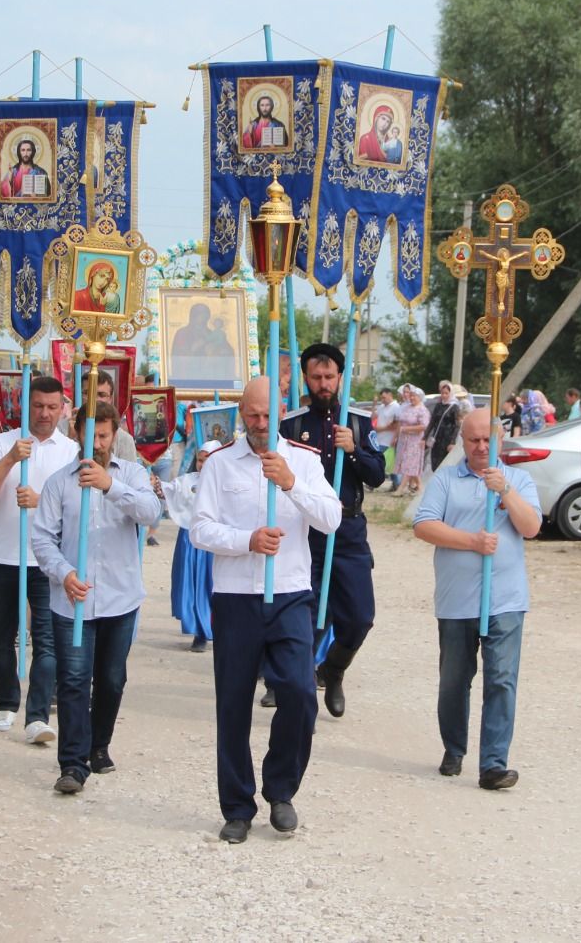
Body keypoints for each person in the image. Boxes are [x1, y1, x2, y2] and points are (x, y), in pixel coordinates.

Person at [190, 376, 340, 843]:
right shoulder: (219, 464)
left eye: (266, 416)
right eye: (251, 415)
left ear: (280, 413)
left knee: (298, 691)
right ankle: (236, 806)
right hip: (236, 596)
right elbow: (199, 529)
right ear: (240, 414)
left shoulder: (304, 460)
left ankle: (281, 790)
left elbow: (331, 519)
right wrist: (246, 541)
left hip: (291, 593)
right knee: (232, 704)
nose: (259, 425)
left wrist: (291, 484)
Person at [34, 401, 162, 794]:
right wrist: (64, 573)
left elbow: (152, 513)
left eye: (104, 436)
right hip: (72, 600)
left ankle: (98, 745)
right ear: (76, 433)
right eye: (90, 436)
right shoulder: (59, 482)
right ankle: (72, 765)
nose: (97, 444)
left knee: (110, 679)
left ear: (115, 433)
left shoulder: (134, 474)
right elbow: (41, 538)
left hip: (120, 598)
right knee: (73, 680)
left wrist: (111, 487)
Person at [412, 408, 541, 790]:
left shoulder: (517, 479)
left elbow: (531, 527)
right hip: (457, 601)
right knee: (454, 679)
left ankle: (494, 764)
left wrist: (504, 491)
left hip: (506, 599)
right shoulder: (446, 480)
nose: (482, 447)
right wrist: (472, 541)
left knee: (501, 678)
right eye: (474, 440)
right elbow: (424, 525)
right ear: (462, 442)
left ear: (499, 439)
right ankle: (454, 747)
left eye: (488, 439)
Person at [280, 343, 387, 718]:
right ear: (305, 379)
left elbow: (377, 475)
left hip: (348, 531)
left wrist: (354, 450)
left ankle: (334, 670)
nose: (323, 384)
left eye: (329, 377)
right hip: (304, 533)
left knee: (359, 617)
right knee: (303, 617)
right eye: (316, 377)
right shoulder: (291, 425)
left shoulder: (357, 421)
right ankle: (297, 690)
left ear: (340, 378)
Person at [0, 375, 77, 738]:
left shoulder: (71, 451)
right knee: (2, 635)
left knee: (46, 638)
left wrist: (41, 500)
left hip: (47, 559)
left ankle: (37, 715)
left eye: (52, 407)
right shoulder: (3, 442)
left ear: (63, 409)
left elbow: (79, 507)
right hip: (4, 554)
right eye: (38, 406)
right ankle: (5, 704)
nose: (45, 414)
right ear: (25, 406)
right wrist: (10, 459)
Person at [166, 439, 222, 651]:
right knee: (192, 585)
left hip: (213, 543)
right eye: (200, 461)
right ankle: (199, 631)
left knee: (211, 586)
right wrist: (158, 487)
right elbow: (172, 490)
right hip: (190, 541)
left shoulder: (225, 483)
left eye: (208, 461)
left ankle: (213, 628)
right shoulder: (188, 480)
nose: (203, 465)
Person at [395, 384, 429, 493]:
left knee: (410, 463)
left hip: (416, 440)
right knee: (407, 462)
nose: (412, 398)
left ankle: (401, 488)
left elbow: (424, 426)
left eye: (415, 396)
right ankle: (420, 488)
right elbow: (400, 420)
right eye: (411, 395)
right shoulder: (407, 407)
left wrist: (406, 428)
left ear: (420, 397)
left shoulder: (422, 410)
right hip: (404, 440)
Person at [425, 380, 462, 470]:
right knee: (434, 463)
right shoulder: (438, 405)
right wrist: (424, 437)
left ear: (450, 393)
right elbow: (432, 422)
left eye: (446, 393)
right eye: (442, 393)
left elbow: (457, 425)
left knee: (444, 463)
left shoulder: (454, 407)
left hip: (447, 439)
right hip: (437, 438)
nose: (444, 395)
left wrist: (452, 442)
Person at [371, 387, 401, 492]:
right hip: (379, 439)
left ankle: (373, 483)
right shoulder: (382, 406)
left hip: (388, 439)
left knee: (381, 461)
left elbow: (397, 424)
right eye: (381, 398)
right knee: (386, 463)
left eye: (384, 397)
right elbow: (373, 417)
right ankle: (396, 483)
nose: (383, 400)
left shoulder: (396, 407)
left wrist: (394, 436)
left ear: (390, 395)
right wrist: (374, 404)